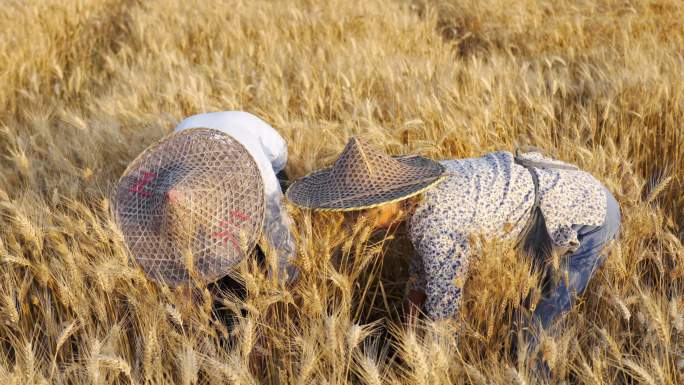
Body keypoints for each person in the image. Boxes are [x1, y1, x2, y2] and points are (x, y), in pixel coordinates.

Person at [286, 137, 620, 345]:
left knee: (532, 340)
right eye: (349, 212)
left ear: (392, 196)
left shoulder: (435, 221)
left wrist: (428, 364)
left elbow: (447, 312)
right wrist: (410, 328)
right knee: (519, 327)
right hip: (559, 196)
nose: (354, 222)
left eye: (362, 212)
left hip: (584, 215)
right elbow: (424, 274)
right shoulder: (418, 198)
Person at [113, 111, 298, 293]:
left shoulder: (262, 178)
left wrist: (284, 278)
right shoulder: (176, 178)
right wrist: (285, 280)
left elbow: (278, 165)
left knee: (278, 191)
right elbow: (281, 161)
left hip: (210, 145)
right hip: (192, 166)